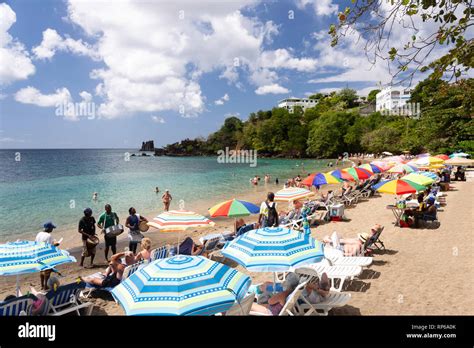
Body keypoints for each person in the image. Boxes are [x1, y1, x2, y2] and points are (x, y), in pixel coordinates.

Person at [35, 221, 60, 290]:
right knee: (47, 271)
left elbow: (36, 243)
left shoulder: (39, 234)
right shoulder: (49, 236)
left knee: (41, 270)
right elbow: (48, 247)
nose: (52, 229)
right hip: (46, 255)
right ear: (48, 228)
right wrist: (56, 244)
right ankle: (45, 286)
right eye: (52, 228)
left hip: (39, 254)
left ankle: (42, 285)